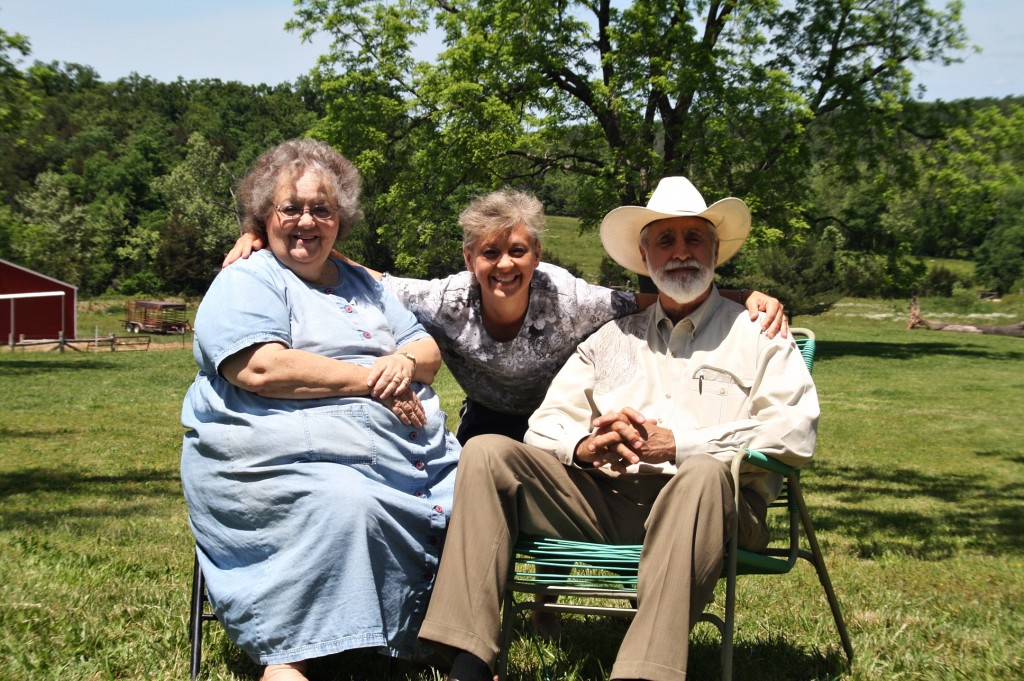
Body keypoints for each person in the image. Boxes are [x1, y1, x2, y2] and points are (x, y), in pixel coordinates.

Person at [416, 176, 820, 681]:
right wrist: (584, 447)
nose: (680, 253)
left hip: (716, 511)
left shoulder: (757, 334)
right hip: (610, 502)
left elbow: (795, 431)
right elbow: (545, 424)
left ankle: (643, 673)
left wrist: (683, 445)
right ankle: (469, 660)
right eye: (665, 241)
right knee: (485, 451)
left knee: (699, 475)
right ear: (644, 255)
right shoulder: (611, 338)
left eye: (694, 238)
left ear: (716, 250)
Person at [181, 139, 460, 681]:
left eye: (322, 209)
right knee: (345, 501)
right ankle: (295, 654)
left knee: (470, 499)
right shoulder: (247, 278)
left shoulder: (364, 284)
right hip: (278, 460)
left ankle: (435, 634)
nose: (306, 221)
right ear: (265, 217)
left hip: (402, 456)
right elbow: (259, 368)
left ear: (341, 219)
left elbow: (428, 350)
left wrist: (401, 359)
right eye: (291, 208)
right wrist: (371, 380)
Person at [225, 189, 789, 446]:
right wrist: (273, 237)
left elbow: (659, 296)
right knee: (471, 471)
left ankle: (543, 603)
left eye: (517, 250)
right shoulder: (445, 300)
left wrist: (745, 296)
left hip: (560, 423)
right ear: (470, 259)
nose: (504, 264)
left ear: (536, 256)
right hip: (487, 417)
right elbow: (372, 277)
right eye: (489, 253)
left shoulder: (571, 298)